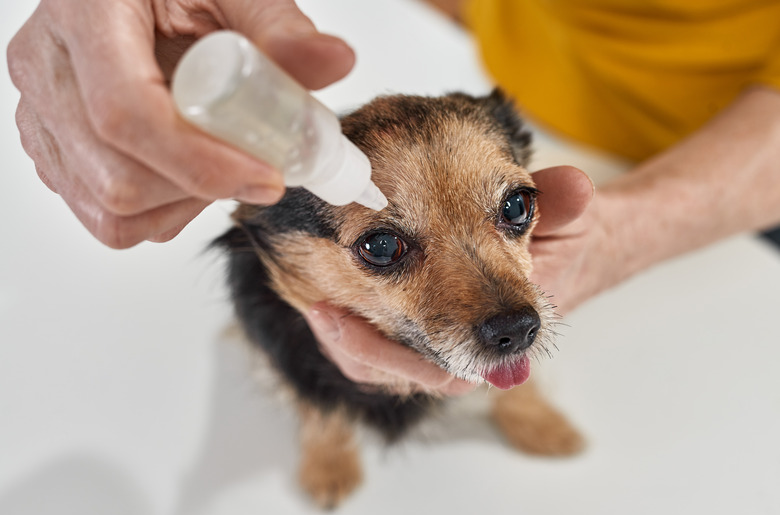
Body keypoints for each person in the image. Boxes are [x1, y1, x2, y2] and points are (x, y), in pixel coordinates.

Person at [8, 0, 780, 395]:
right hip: (538, 73)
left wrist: (633, 232)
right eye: (384, 245)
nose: (506, 309)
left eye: (512, 209)